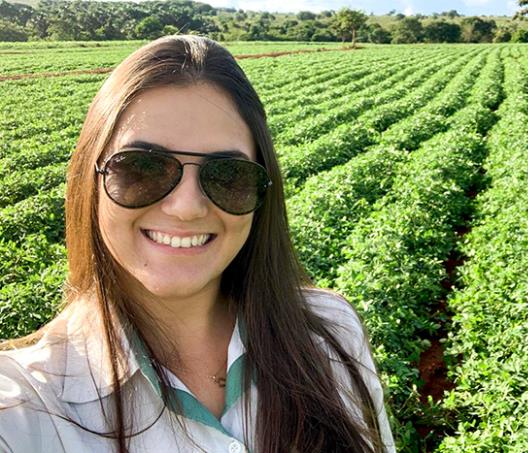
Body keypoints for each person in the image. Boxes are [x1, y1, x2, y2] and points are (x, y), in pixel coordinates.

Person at [0, 35, 395, 453]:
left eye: (228, 175)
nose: (187, 208)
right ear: (90, 181)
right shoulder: (22, 412)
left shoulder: (330, 333)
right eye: (141, 168)